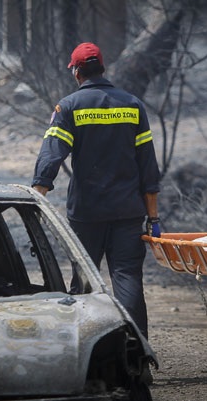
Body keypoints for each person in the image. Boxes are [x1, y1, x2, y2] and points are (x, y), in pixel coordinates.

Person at [32, 42, 161, 339]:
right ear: (102, 68)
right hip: (128, 212)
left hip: (86, 213)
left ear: (76, 72)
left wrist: (36, 200)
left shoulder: (69, 107)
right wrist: (153, 218)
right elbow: (148, 166)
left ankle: (81, 347)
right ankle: (136, 350)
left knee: (83, 283)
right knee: (128, 279)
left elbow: (52, 156)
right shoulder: (132, 106)